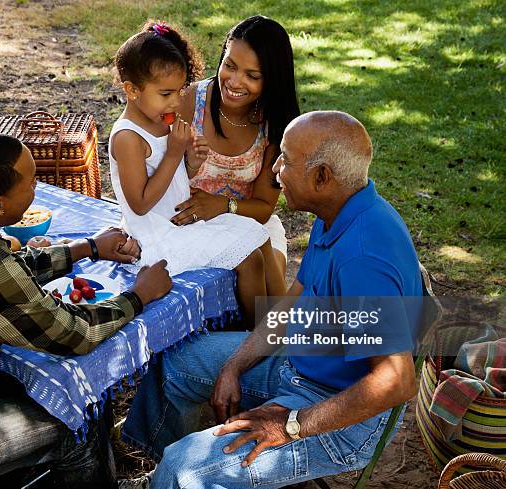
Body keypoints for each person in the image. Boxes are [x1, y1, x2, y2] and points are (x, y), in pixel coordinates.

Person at [122, 111, 423, 488]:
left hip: (341, 415)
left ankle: (175, 477)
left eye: (286, 159)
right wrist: (234, 365)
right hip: (304, 361)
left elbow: (396, 381)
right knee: (174, 363)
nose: (275, 168)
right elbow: (293, 302)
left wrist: (291, 425)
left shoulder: (363, 257)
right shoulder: (336, 211)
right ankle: (160, 476)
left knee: (186, 469)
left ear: (321, 176)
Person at [0, 133, 172, 489]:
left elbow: (1, 270)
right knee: (76, 420)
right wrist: (139, 295)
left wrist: (82, 248)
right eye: (32, 181)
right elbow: (76, 335)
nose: (37, 187)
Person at [109, 21, 281, 325]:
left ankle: (278, 328)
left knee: (256, 236)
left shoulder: (159, 121)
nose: (177, 101)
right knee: (250, 257)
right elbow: (140, 202)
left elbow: (172, 179)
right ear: (131, 90)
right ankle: (262, 337)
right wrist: (175, 152)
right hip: (159, 234)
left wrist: (190, 162)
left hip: (179, 220)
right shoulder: (127, 137)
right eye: (167, 94)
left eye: (178, 92)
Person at [173, 15, 300, 290]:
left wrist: (222, 205)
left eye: (252, 76)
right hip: (190, 221)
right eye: (229, 65)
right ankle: (277, 329)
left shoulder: (274, 123)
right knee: (252, 266)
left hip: (250, 219)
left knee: (269, 269)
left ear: (272, 80)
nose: (234, 82)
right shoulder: (190, 102)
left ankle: (279, 330)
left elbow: (264, 208)